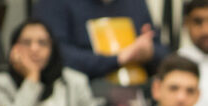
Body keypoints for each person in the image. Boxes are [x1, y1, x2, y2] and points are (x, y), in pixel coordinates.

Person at [32, 0, 168, 81]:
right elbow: (56, 53)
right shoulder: (55, 4)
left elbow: (163, 52)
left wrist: (149, 52)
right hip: (82, 92)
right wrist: (118, 59)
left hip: (137, 89)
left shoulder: (135, 3)